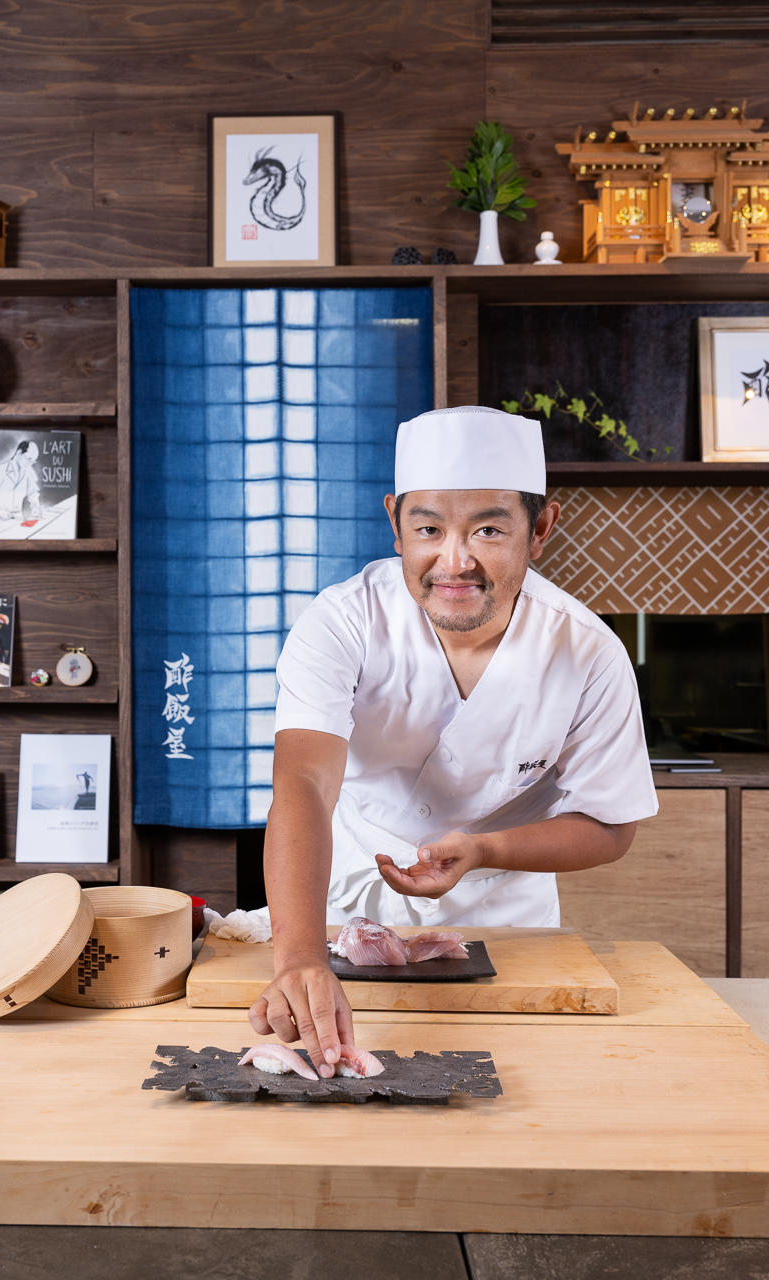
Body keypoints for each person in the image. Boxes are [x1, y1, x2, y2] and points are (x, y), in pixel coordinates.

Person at [249, 405, 659, 1077]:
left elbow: (611, 826)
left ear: (542, 528)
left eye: (490, 529)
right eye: (429, 529)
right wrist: (299, 959)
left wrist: (486, 847)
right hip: (343, 904)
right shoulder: (342, 622)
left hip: (508, 916)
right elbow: (303, 783)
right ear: (395, 524)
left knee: (522, 1088)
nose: (455, 561)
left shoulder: (588, 653)